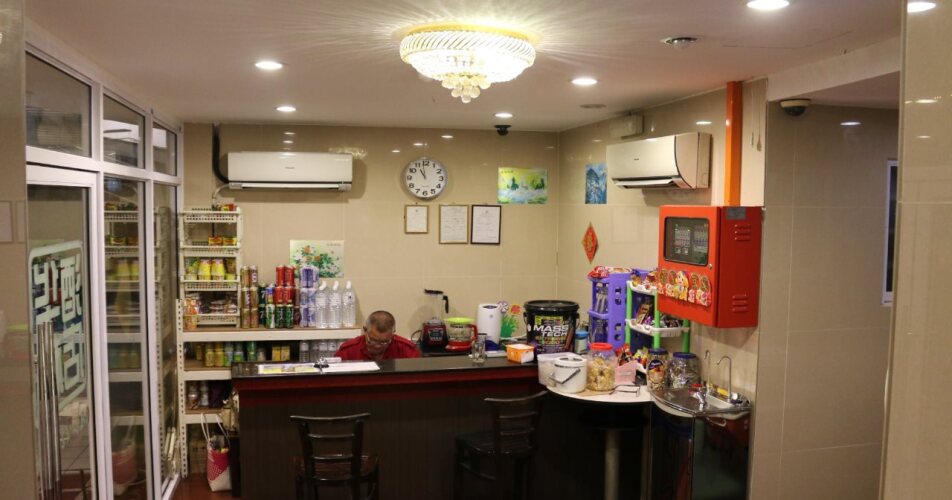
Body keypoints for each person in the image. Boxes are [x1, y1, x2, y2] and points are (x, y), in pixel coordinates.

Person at [335, 310, 420, 362]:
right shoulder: (348, 351)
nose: (378, 346)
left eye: (384, 342)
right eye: (373, 340)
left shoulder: (407, 350)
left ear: (392, 333)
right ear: (365, 330)